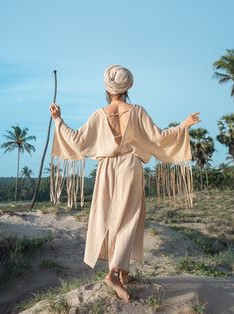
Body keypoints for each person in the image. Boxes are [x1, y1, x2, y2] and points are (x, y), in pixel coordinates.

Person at [49, 64, 200, 301]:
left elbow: (77, 141)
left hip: (106, 169)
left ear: (107, 88)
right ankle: (113, 274)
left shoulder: (99, 115)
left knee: (109, 216)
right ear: (128, 87)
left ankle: (123, 270)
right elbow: (159, 137)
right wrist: (184, 126)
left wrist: (58, 120)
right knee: (127, 219)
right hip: (130, 167)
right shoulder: (137, 111)